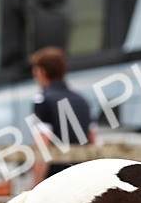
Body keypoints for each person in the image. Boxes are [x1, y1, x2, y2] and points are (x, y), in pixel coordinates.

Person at [28, 46, 94, 185]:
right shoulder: (81, 99)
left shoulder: (42, 100)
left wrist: (35, 186)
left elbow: (43, 144)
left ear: (41, 72)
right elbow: (92, 139)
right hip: (80, 177)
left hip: (55, 179)